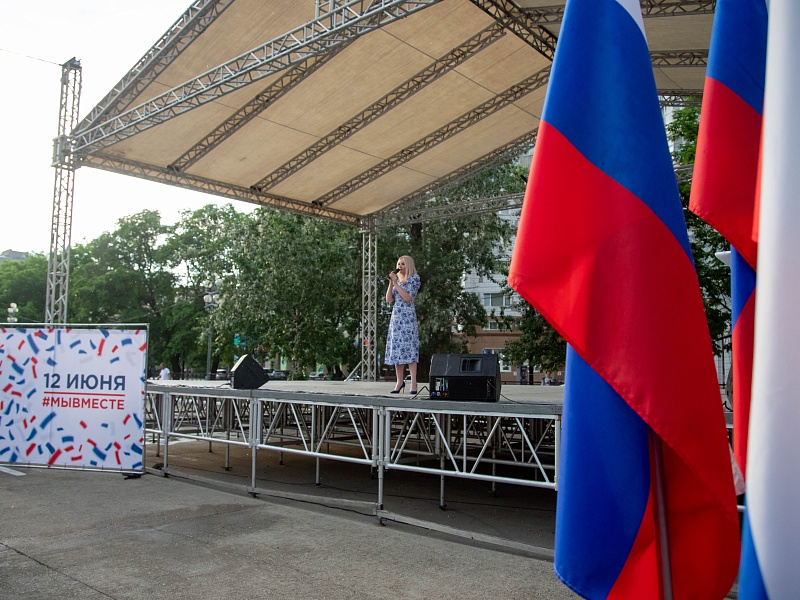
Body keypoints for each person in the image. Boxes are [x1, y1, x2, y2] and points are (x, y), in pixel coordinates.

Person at [385, 255, 420, 394]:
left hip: (408, 316)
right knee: (397, 349)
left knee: (409, 348)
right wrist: (391, 283)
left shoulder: (414, 279)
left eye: (403, 264)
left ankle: (413, 383)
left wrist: (397, 284)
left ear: (409, 265)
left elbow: (408, 297)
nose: (400, 266)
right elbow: (389, 299)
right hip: (396, 317)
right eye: (399, 264)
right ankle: (399, 381)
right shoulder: (396, 280)